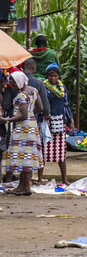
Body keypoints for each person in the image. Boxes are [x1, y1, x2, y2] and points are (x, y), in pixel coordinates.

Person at [3, 68, 43, 196]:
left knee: (23, 158)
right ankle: (22, 185)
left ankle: (26, 188)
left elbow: (23, 115)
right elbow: (40, 108)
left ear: (19, 82)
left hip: (23, 129)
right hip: (32, 126)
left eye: (13, 84)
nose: (12, 86)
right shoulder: (33, 91)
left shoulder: (21, 95)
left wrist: (7, 119)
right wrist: (31, 114)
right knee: (26, 157)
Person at [38, 63, 71, 185]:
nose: (53, 78)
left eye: (55, 76)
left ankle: (64, 179)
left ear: (58, 76)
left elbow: (66, 104)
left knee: (61, 154)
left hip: (60, 122)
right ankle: (40, 178)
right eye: (51, 76)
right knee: (43, 151)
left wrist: (70, 119)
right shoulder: (43, 88)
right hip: (46, 123)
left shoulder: (62, 88)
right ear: (47, 76)